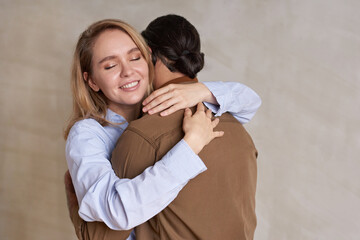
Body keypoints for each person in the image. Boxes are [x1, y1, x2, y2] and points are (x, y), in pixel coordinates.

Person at [65, 17, 261, 240]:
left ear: (149, 58)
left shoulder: (166, 114)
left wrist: (202, 91)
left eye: (135, 57)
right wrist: (190, 146)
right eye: (110, 66)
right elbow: (116, 211)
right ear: (91, 81)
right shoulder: (87, 134)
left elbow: (250, 103)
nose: (128, 71)